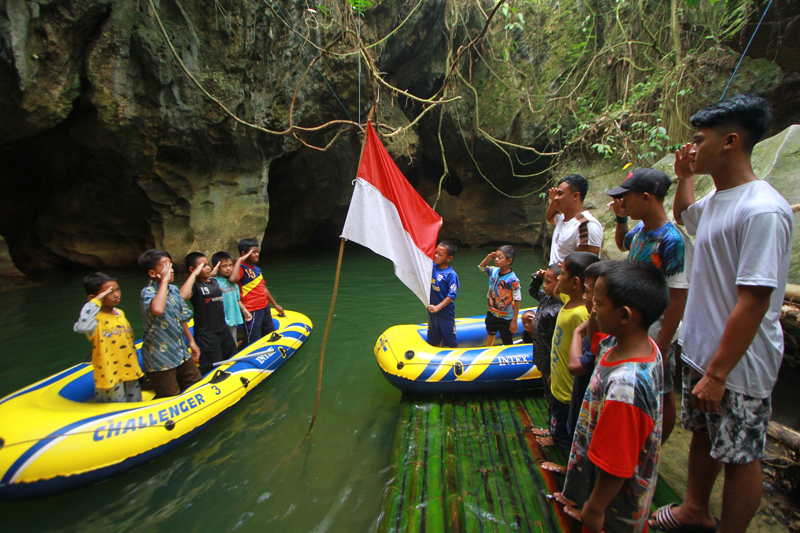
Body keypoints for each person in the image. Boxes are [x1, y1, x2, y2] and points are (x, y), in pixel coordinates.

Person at [650, 94, 793, 533]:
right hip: (702, 350)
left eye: (698, 140)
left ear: (730, 141)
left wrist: (719, 373)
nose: (690, 147)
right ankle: (695, 508)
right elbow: (685, 215)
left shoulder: (762, 209)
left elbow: (753, 302)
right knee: (705, 434)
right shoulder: (719, 199)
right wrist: (686, 177)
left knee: (740, 454)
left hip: (738, 364)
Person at [557, 260, 669, 533]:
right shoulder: (629, 344)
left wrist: (594, 510)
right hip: (600, 490)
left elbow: (616, 464)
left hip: (612, 510)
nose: (591, 307)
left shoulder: (625, 388)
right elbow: (595, 335)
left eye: (598, 302)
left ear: (625, 315)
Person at [606, 167, 692, 443]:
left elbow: (679, 295)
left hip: (656, 329)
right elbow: (622, 244)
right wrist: (620, 218)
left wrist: (664, 344)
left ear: (646, 198)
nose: (623, 202)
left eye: (626, 198)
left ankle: (654, 447)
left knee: (661, 390)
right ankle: (630, 439)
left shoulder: (672, 239)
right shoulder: (642, 228)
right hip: (632, 324)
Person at [541, 251, 599, 450]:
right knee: (556, 413)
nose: (558, 278)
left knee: (566, 423)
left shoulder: (581, 314)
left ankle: (564, 455)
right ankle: (553, 433)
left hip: (569, 386)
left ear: (575, 282)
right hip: (559, 375)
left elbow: (584, 352)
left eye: (562, 273)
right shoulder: (568, 302)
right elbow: (557, 292)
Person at [138, 249, 202, 398]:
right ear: (153, 274)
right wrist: (164, 281)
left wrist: (191, 343)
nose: (171, 270)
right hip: (160, 358)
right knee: (170, 394)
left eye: (171, 266)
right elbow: (158, 309)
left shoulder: (173, 290)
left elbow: (182, 318)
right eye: (165, 267)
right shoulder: (147, 292)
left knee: (195, 383)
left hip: (180, 351)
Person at [73, 272, 144, 403]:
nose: (116, 294)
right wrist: (96, 302)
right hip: (110, 374)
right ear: (94, 297)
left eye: (117, 289)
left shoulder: (119, 313)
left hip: (129, 369)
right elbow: (82, 327)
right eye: (109, 292)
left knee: (135, 404)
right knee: (117, 409)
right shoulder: (94, 321)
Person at [566, 261, 610, 441]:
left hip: (589, 410)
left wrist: (577, 332)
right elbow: (592, 337)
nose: (585, 297)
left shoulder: (606, 340)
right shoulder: (597, 333)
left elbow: (575, 366)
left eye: (589, 293)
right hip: (582, 402)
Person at [180, 252, 238, 369]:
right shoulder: (195, 285)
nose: (207, 267)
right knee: (213, 366)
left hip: (223, 329)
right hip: (207, 334)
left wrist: (209, 275)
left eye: (208, 265)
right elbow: (183, 296)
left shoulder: (213, 281)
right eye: (203, 266)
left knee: (233, 358)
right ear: (192, 269)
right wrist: (195, 274)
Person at [228, 239, 284, 347]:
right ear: (244, 254)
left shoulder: (256, 269)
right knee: (253, 338)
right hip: (252, 309)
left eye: (257, 251)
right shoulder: (240, 268)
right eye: (253, 252)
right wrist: (239, 260)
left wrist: (275, 305)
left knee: (270, 332)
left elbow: (263, 288)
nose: (257, 254)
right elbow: (232, 279)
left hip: (264, 307)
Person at [546, 173, 603, 264]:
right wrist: (554, 201)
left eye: (560, 194)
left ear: (575, 196)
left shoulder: (586, 225)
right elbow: (549, 217)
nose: (555, 198)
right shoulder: (562, 218)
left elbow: (588, 266)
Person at [528, 263, 563, 405]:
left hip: (552, 359)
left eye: (548, 282)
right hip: (541, 355)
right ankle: (550, 425)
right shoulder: (545, 298)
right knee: (547, 393)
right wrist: (538, 278)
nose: (544, 285)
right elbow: (532, 291)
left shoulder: (561, 307)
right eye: (545, 281)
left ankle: (552, 426)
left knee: (553, 396)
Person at [478, 245, 522, 346]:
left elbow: (517, 299)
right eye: (496, 257)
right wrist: (489, 257)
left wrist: (514, 320)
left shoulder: (513, 279)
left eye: (500, 257)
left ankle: (508, 355)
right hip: (492, 312)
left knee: (506, 338)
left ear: (509, 261)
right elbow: (481, 267)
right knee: (490, 331)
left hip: (506, 317)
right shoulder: (494, 270)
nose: (496, 260)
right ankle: (488, 349)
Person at [211, 251, 252, 344]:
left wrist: (245, 311)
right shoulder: (214, 282)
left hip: (233, 317)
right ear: (217, 267)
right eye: (224, 266)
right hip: (221, 320)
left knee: (232, 342)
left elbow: (237, 299)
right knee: (223, 342)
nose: (228, 268)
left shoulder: (234, 283)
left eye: (230, 265)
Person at [427, 241, 460, 347]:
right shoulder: (432, 266)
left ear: (449, 258)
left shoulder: (451, 274)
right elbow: (429, 244)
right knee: (433, 341)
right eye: (435, 252)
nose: (435, 255)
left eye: (440, 255)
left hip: (445, 313)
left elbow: (452, 295)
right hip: (432, 312)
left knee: (450, 342)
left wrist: (438, 307)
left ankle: (454, 360)